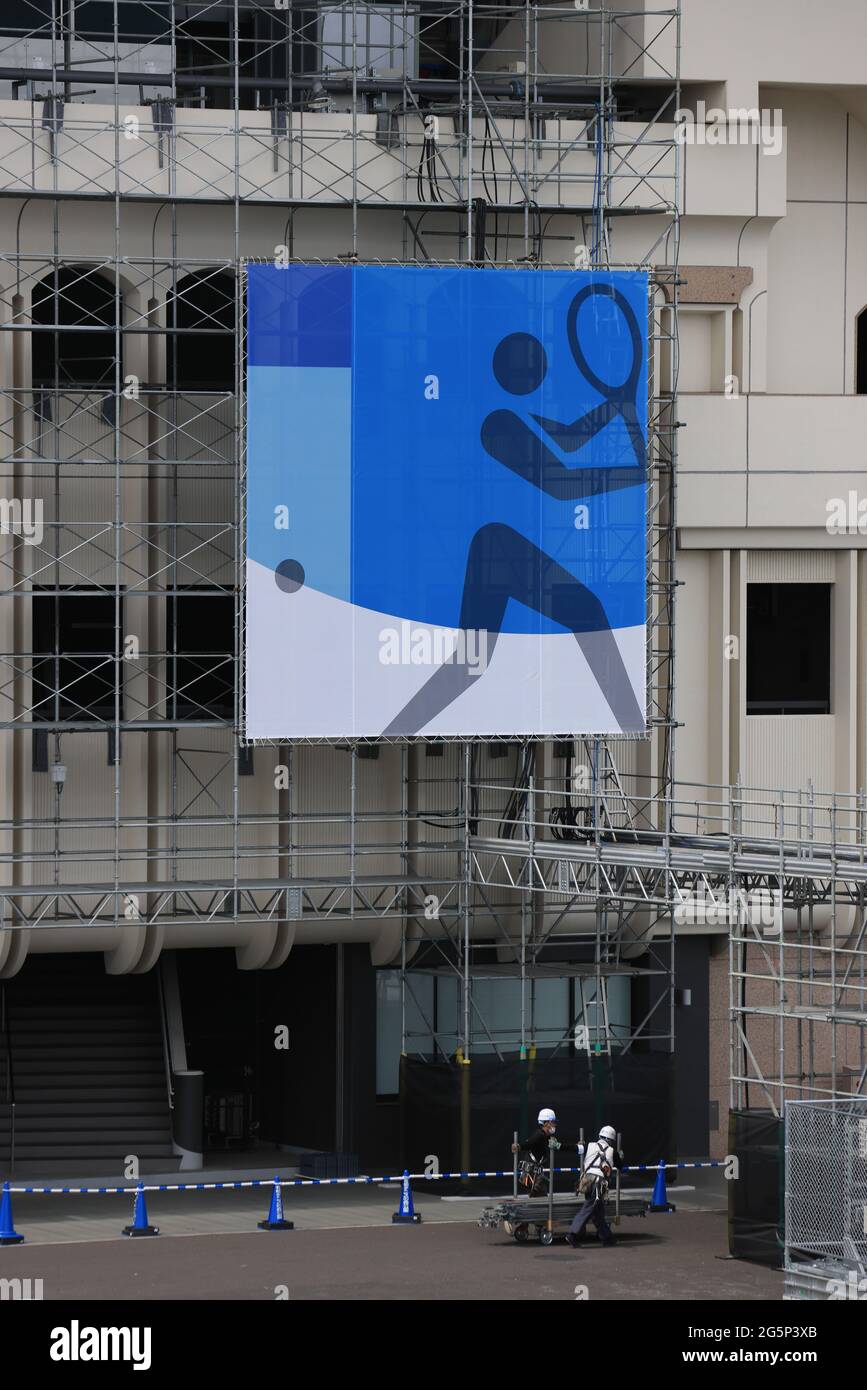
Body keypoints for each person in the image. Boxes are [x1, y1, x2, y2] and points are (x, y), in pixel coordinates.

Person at [566, 1123, 621, 1248]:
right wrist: (620, 1156)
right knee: (588, 1209)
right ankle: (572, 1234)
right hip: (598, 1183)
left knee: (598, 1212)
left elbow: (576, 1149)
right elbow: (620, 1165)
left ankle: (607, 1238)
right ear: (611, 1140)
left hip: (586, 1180)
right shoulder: (612, 1151)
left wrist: (560, 1146)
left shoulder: (589, 1145)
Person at [511, 1108, 584, 1196]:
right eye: (553, 1122)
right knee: (539, 1201)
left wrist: (577, 1147)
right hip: (532, 1175)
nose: (555, 1125)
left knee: (539, 1199)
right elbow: (529, 1143)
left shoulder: (546, 1137)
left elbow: (561, 1146)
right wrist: (519, 1147)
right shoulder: (539, 1135)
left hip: (536, 1175)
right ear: (546, 1123)